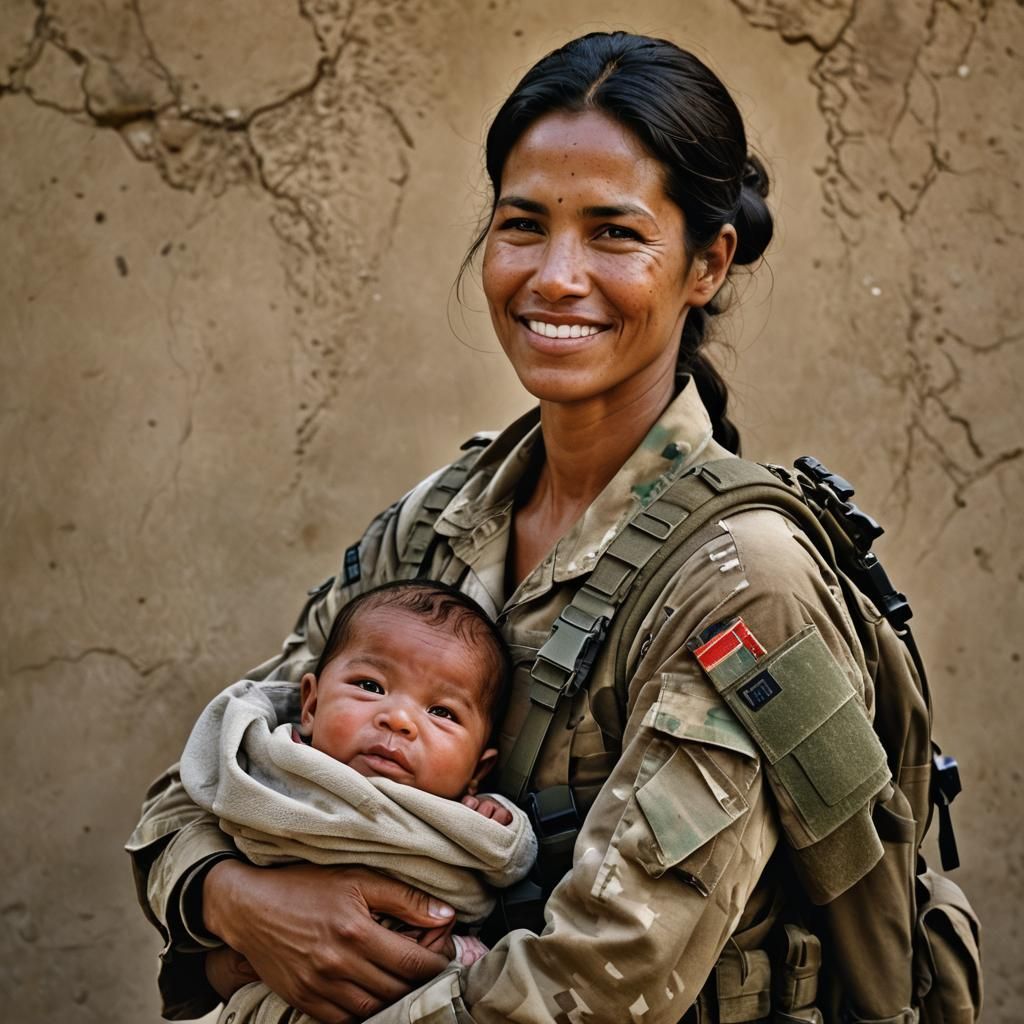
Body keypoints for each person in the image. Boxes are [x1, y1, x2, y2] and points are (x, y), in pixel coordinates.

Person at [127, 30, 893, 1024]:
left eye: (613, 233)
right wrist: (235, 901)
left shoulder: (744, 583)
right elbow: (198, 786)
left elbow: (603, 979)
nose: (554, 277)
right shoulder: (444, 521)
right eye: (523, 223)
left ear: (706, 263)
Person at [177, 580, 536, 1008]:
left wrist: (501, 822)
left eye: (441, 712)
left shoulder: (463, 821)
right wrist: (225, 897)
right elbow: (200, 799)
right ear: (309, 706)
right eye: (370, 686)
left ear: (478, 770)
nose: (399, 719)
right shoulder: (270, 762)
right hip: (266, 986)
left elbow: (506, 858)